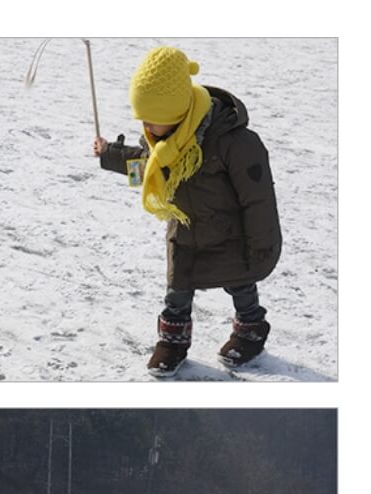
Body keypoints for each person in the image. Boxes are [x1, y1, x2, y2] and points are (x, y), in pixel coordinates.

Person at [94, 46, 281, 376]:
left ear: (177, 113)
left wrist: (261, 247)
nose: (146, 127)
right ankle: (172, 342)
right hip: (185, 233)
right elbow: (148, 169)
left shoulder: (234, 143)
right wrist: (110, 153)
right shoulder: (162, 142)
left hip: (231, 237)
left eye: (153, 120)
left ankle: (251, 327)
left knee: (240, 285)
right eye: (143, 119)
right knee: (177, 291)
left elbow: (259, 200)